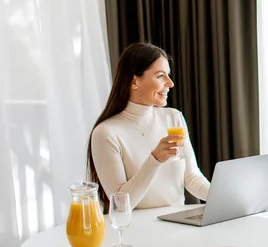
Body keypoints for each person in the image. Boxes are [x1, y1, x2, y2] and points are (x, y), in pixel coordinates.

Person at [86, 43, 210, 210]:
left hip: (178, 225)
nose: (170, 83)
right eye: (160, 76)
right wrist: (155, 160)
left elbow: (191, 177)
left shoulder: (173, 117)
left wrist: (225, 198)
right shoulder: (106, 133)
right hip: (138, 231)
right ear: (134, 81)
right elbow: (121, 204)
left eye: (168, 75)